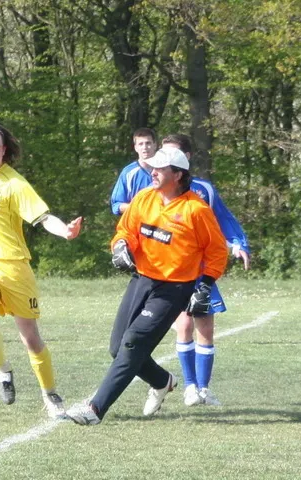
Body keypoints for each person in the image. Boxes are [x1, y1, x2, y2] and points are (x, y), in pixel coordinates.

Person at [66, 146, 228, 425]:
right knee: (117, 347)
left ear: (178, 175)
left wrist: (206, 283)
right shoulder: (143, 198)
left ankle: (94, 409)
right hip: (141, 279)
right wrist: (121, 246)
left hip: (174, 289)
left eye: (160, 168)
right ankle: (162, 381)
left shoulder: (196, 210)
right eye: (152, 167)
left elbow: (217, 251)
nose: (153, 172)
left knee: (133, 342)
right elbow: (126, 231)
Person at [0, 122, 82, 419]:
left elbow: (43, 217)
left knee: (30, 338)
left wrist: (65, 231)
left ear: (4, 151)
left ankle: (50, 393)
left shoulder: (14, 184)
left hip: (13, 266)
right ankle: (4, 371)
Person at [160, 134, 250, 407]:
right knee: (184, 325)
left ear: (185, 159)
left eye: (172, 154)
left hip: (202, 271)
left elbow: (223, 220)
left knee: (206, 329)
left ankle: (203, 389)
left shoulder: (204, 190)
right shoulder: (156, 190)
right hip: (174, 270)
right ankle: (189, 386)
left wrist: (238, 244)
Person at [110, 128, 158, 215]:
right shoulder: (128, 172)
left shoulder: (166, 170)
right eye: (140, 144)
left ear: (155, 145)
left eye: (148, 143)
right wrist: (139, 208)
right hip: (136, 221)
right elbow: (116, 205)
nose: (145, 147)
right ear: (135, 148)